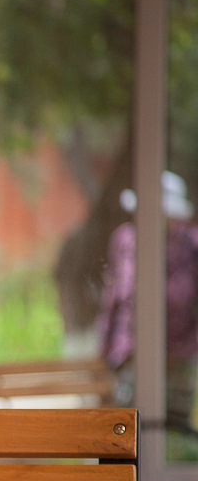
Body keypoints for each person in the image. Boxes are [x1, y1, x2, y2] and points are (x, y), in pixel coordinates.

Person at [97, 171, 198, 432]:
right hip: (131, 350)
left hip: (178, 350)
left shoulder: (190, 243)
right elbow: (114, 294)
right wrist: (105, 347)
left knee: (174, 425)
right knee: (125, 425)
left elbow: (184, 296)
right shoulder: (126, 239)